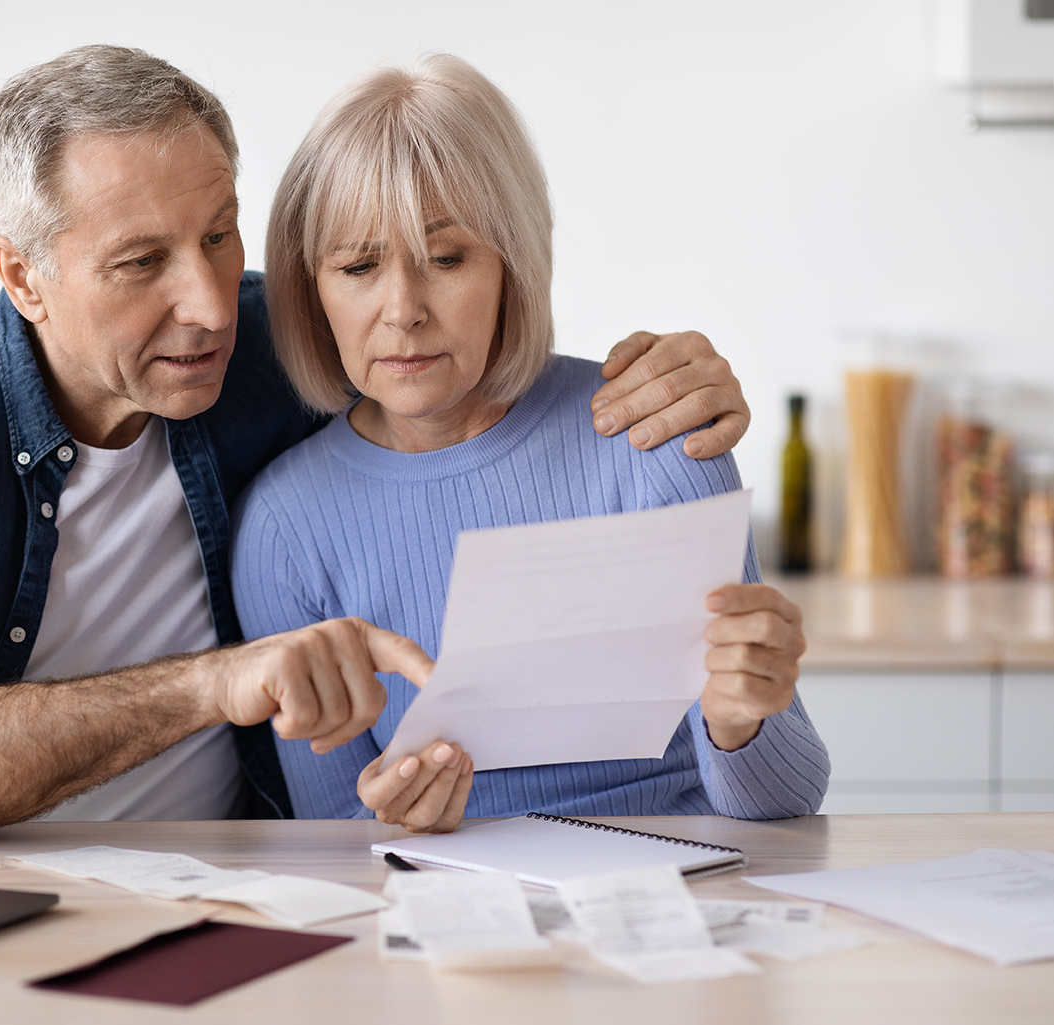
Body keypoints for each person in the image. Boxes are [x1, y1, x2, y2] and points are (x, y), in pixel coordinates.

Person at [0, 45, 756, 845]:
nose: (209, 308)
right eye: (140, 264)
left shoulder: (275, 345)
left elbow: (444, 323)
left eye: (218, 236)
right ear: (23, 278)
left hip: (244, 889)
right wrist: (214, 687)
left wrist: (670, 373)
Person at [232, 55, 828, 833]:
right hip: (440, 913)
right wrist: (390, 822)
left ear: (512, 265)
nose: (401, 309)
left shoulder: (649, 436)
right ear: (310, 289)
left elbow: (786, 802)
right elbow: (334, 832)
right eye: (357, 265)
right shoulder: (285, 524)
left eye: (446, 258)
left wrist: (739, 720)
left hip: (681, 887)